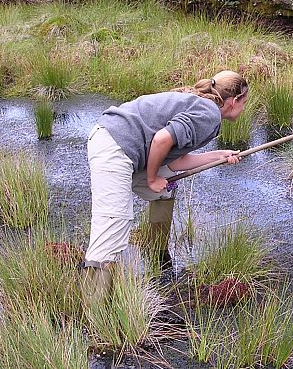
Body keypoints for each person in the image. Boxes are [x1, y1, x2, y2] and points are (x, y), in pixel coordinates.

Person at [81, 70, 248, 304]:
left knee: (165, 186)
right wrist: (150, 178)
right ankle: (95, 309)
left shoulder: (202, 107)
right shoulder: (209, 113)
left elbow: (175, 160)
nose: (244, 108)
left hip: (116, 140)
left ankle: (158, 253)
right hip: (117, 146)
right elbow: (161, 140)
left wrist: (218, 155)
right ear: (234, 101)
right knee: (113, 224)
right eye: (245, 102)